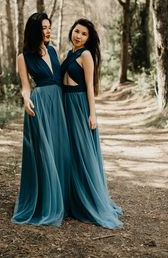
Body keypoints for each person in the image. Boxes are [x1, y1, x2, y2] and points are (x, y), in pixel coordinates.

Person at [61, 18, 123, 229]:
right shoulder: (69, 54)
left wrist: (92, 114)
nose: (78, 36)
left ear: (88, 39)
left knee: (83, 151)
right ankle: (72, 198)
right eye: (76, 31)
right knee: (70, 152)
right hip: (66, 106)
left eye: (83, 34)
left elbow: (90, 86)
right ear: (72, 31)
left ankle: (89, 200)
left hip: (79, 105)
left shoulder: (86, 55)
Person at [11, 12, 70, 226]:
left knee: (60, 150)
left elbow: (62, 78)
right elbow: (26, 87)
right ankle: (46, 202)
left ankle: (62, 200)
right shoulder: (23, 57)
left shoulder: (53, 50)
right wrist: (26, 100)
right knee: (45, 153)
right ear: (35, 31)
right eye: (44, 28)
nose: (48, 31)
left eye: (49, 27)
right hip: (40, 105)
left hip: (59, 104)